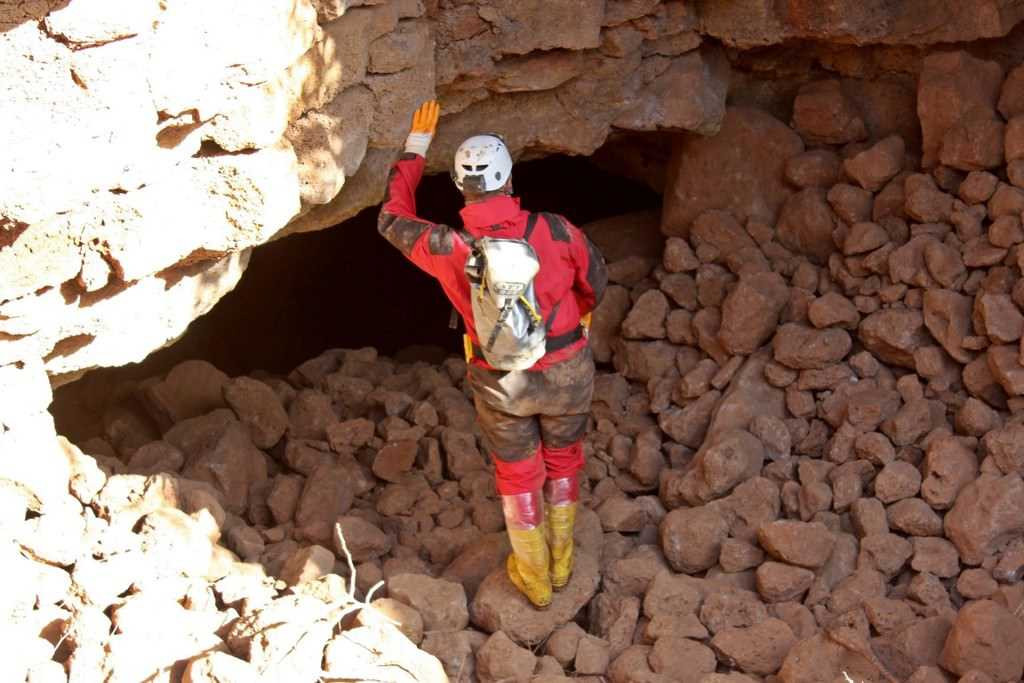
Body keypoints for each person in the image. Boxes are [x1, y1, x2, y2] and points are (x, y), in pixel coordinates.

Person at [377, 100, 607, 608]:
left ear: (461, 186)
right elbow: (595, 282)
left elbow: (391, 219)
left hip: (498, 378)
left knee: (517, 469)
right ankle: (564, 562)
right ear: (509, 180)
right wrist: (574, 321)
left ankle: (535, 578)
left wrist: (416, 148)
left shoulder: (448, 246)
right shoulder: (556, 229)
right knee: (564, 457)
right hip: (568, 367)